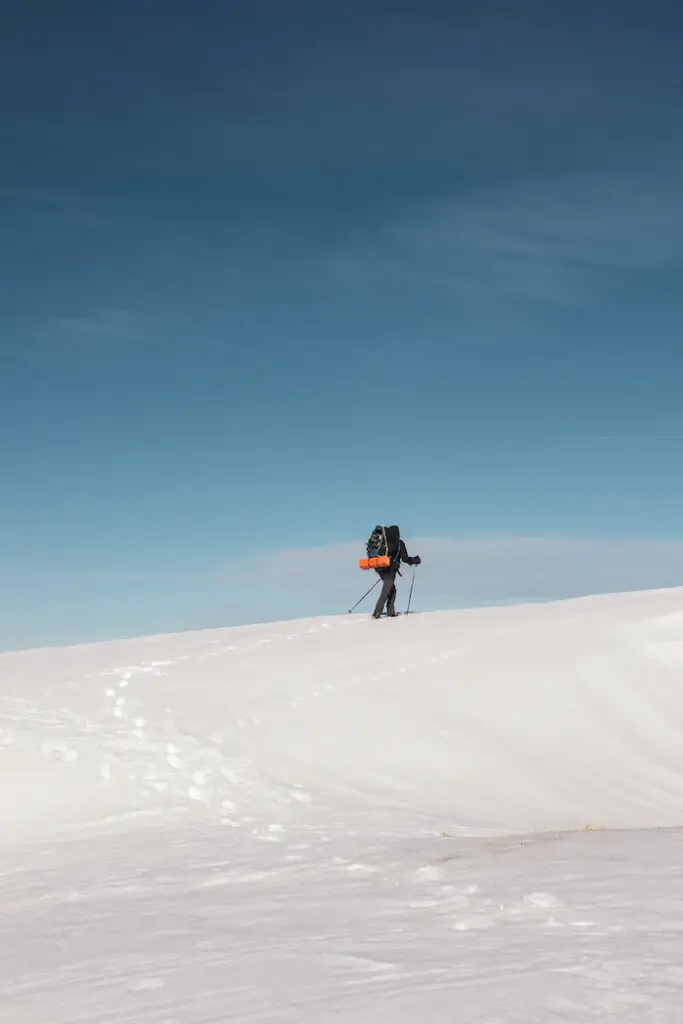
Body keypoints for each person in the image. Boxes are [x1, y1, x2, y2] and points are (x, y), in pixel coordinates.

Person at [371, 527, 421, 618]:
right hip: (390, 569)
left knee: (392, 589)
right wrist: (415, 560)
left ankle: (391, 611)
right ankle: (377, 613)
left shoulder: (383, 541)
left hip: (378, 567)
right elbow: (405, 559)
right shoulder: (399, 543)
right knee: (386, 590)